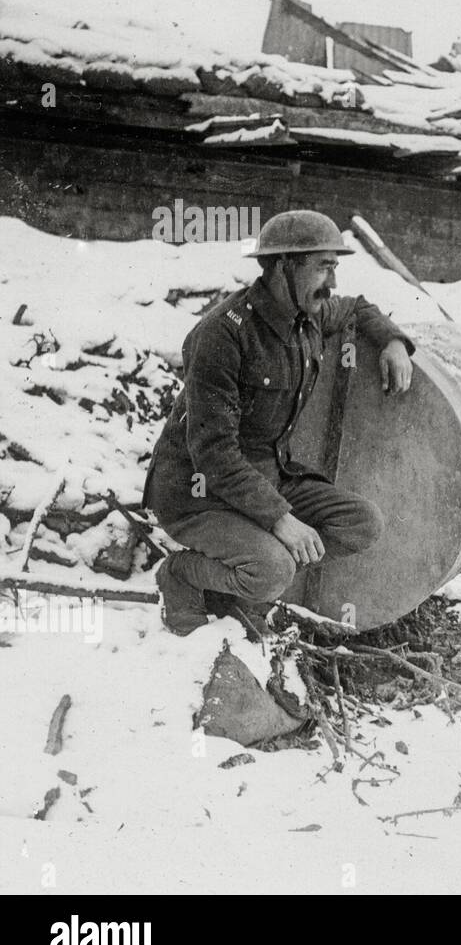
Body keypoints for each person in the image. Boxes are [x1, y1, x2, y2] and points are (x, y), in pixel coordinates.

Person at [144, 210, 414, 635]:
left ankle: (238, 581)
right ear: (285, 266)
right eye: (324, 267)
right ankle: (182, 573)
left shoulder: (308, 314)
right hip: (200, 493)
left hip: (267, 478)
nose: (333, 282)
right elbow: (213, 453)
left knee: (362, 523)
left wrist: (393, 341)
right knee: (274, 569)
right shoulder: (223, 335)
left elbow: (357, 309)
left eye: (335, 267)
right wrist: (280, 520)